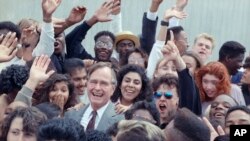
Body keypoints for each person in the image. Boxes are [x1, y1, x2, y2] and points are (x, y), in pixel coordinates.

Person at [65, 62, 124, 131]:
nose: (97, 88)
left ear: (113, 89)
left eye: (103, 83)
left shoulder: (122, 120)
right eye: (93, 82)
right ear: (87, 84)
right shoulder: (71, 115)